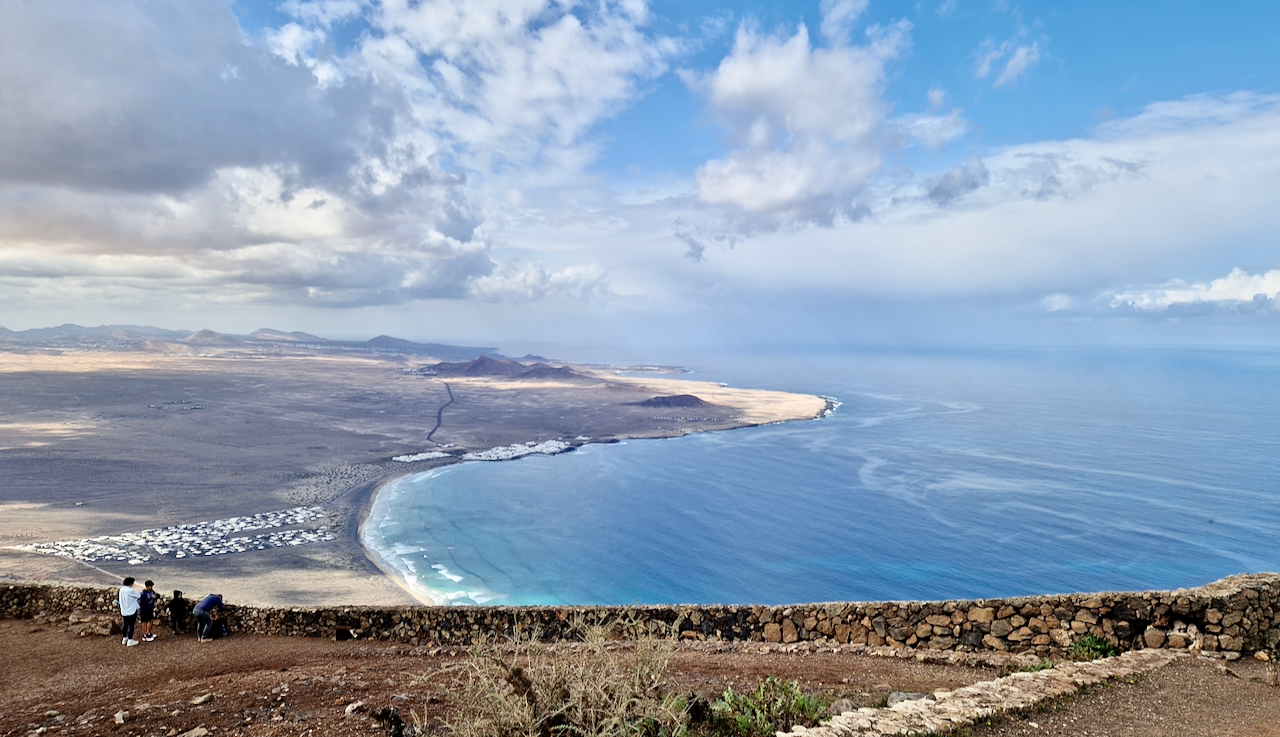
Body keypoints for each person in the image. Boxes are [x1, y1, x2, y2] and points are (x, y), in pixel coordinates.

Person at [118, 577, 140, 647]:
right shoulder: (130, 590)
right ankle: (130, 640)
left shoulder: (122, 589)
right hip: (131, 610)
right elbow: (138, 595)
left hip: (124, 610)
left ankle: (124, 638)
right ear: (131, 583)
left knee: (125, 624)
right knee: (131, 625)